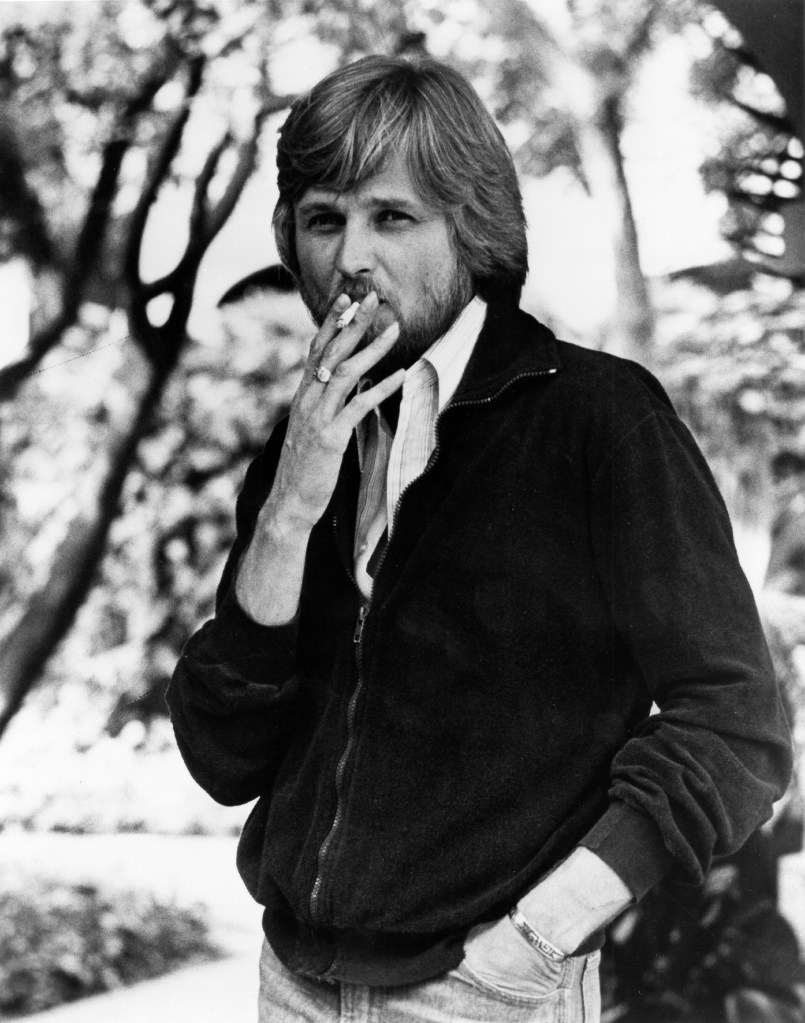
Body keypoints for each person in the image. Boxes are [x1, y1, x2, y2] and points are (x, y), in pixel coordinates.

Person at [167, 55, 792, 1023]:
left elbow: (736, 722)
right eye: (323, 220)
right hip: (294, 983)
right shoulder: (306, 447)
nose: (350, 259)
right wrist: (289, 509)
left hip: (484, 990)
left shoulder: (597, 418)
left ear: (470, 227)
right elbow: (224, 755)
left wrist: (540, 933)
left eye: (392, 217)